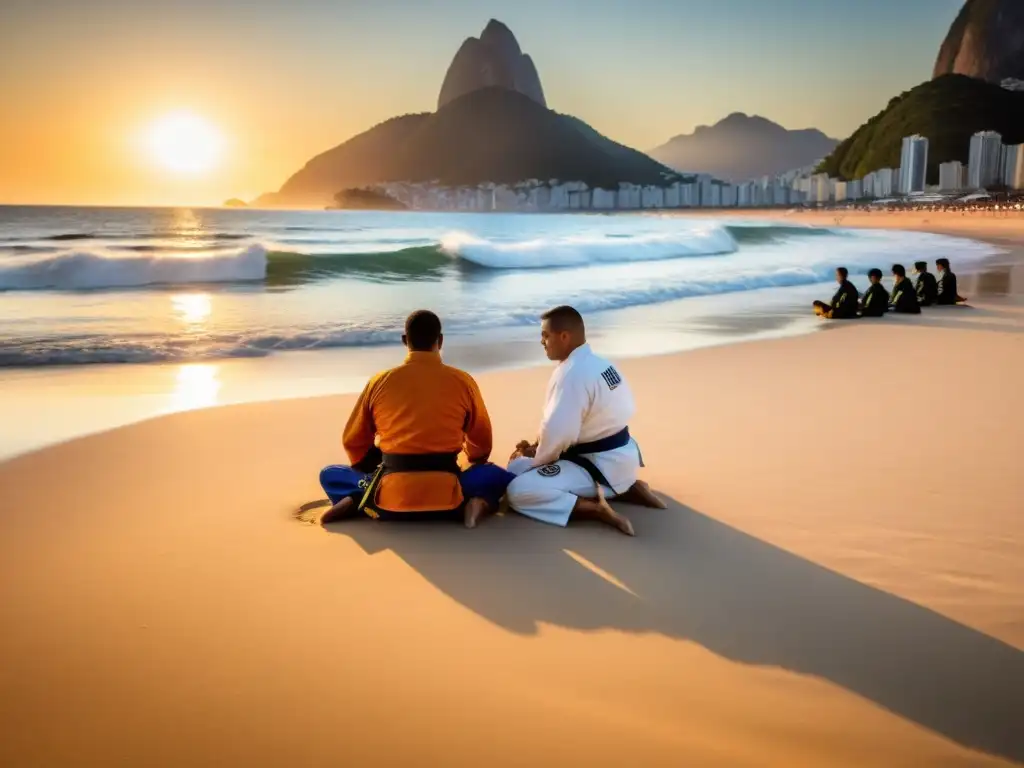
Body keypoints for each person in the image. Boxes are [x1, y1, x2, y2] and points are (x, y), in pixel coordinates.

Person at [306, 310, 514, 528]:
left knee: (330, 474)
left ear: (405, 341)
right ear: (440, 341)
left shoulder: (380, 382)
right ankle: (475, 503)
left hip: (389, 499)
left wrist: (375, 466)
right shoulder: (463, 381)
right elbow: (481, 446)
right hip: (449, 496)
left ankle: (361, 494)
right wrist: (470, 461)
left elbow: (353, 442)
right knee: (496, 476)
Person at [505, 305, 664, 536]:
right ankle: (627, 488)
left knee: (517, 486)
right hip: (625, 459)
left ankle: (595, 508)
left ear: (564, 336)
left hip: (597, 467)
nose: (542, 342)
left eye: (545, 335)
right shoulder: (603, 364)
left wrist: (536, 459)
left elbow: (558, 432)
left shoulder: (572, 374)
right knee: (521, 465)